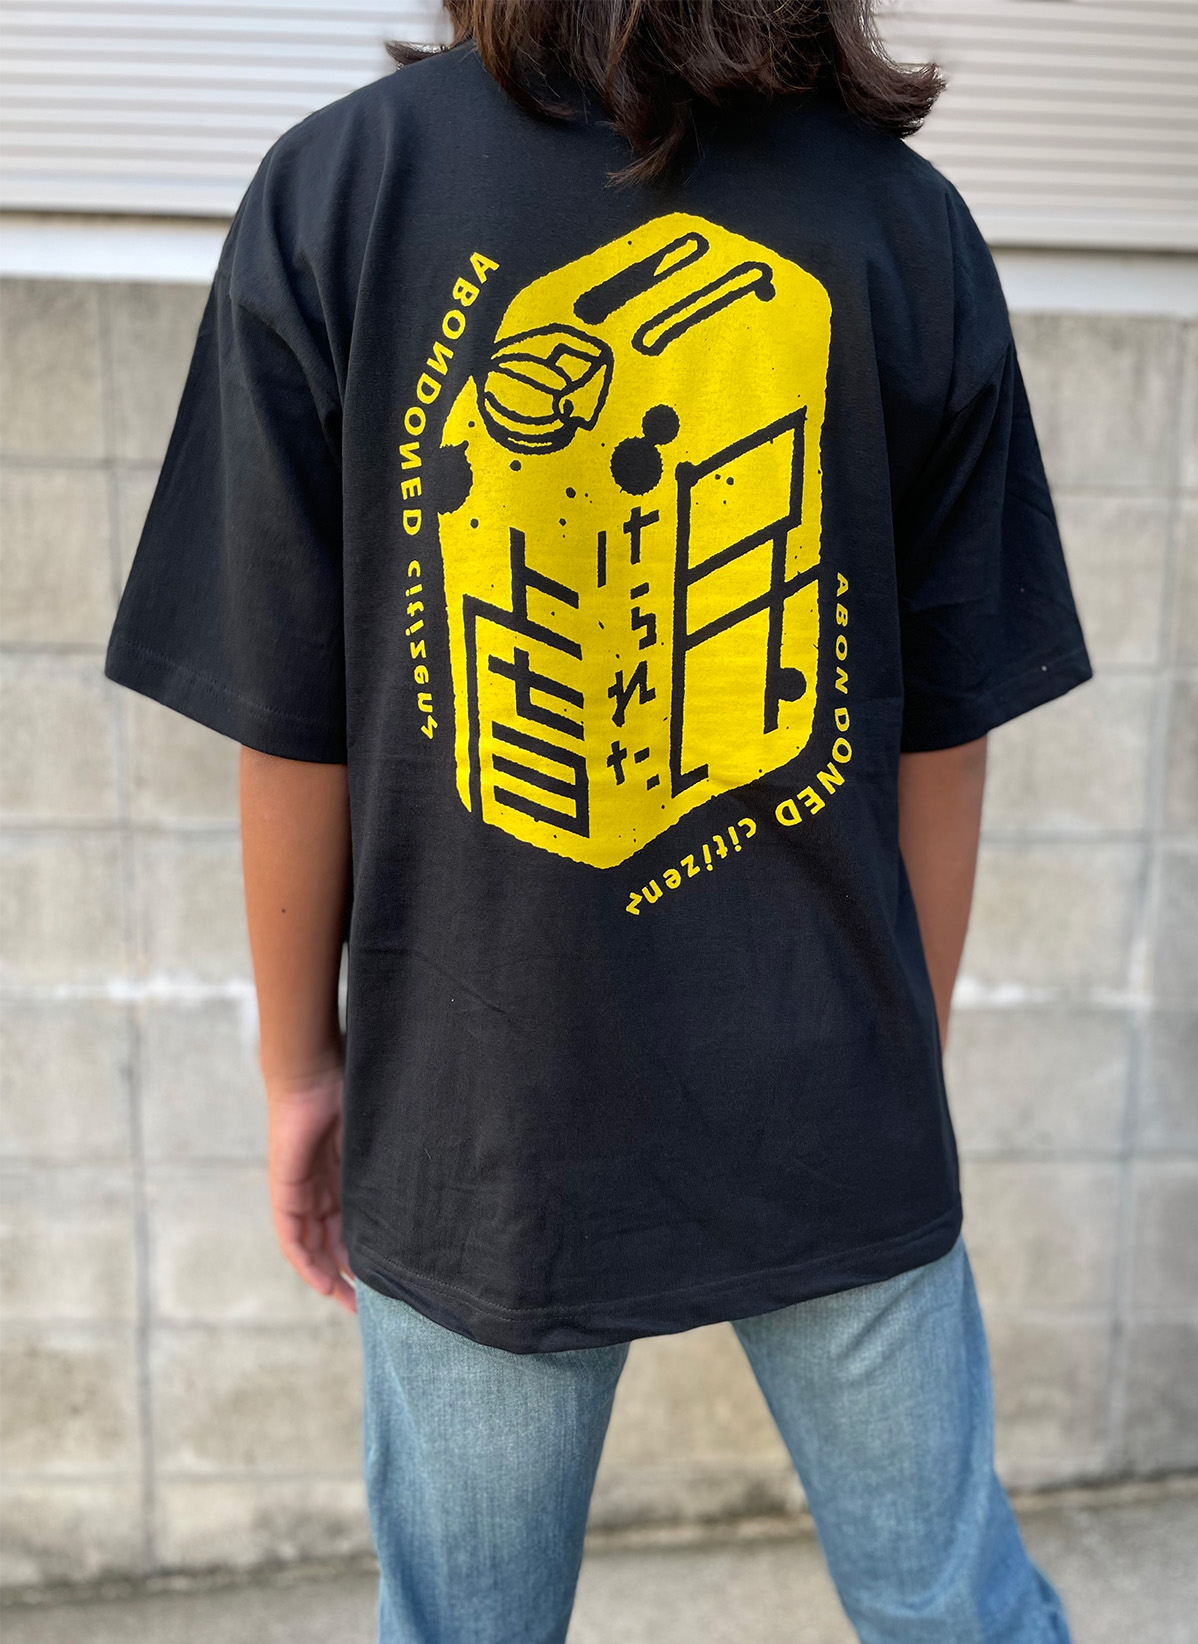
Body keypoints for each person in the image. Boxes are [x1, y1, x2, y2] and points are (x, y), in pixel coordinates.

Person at [105, 3, 1092, 1638]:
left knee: (465, 1625)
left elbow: (290, 726)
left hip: (480, 1115)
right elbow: (947, 728)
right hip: (830, 1100)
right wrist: (895, 1060)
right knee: (951, 1603)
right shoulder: (901, 223)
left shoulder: (343, 191)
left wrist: (303, 1075)